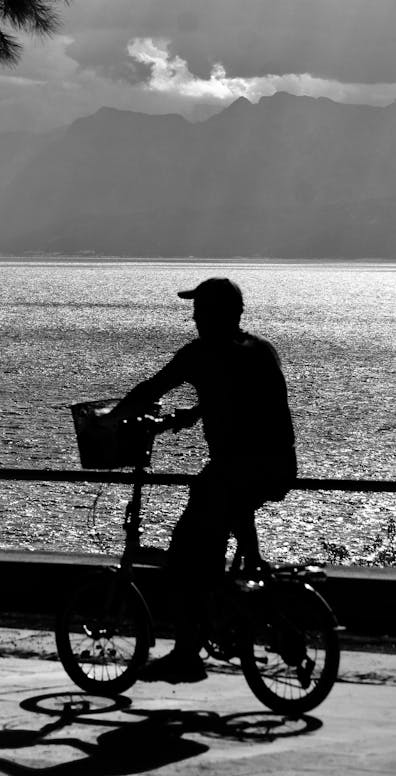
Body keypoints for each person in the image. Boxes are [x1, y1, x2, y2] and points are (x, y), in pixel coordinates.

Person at [112, 277, 297, 683]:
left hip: (236, 468)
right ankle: (246, 601)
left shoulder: (203, 352)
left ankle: (185, 655)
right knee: (225, 529)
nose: (194, 317)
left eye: (200, 310)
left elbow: (153, 387)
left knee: (183, 558)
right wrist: (193, 416)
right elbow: (238, 396)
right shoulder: (260, 350)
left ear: (217, 315)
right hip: (277, 466)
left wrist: (112, 420)